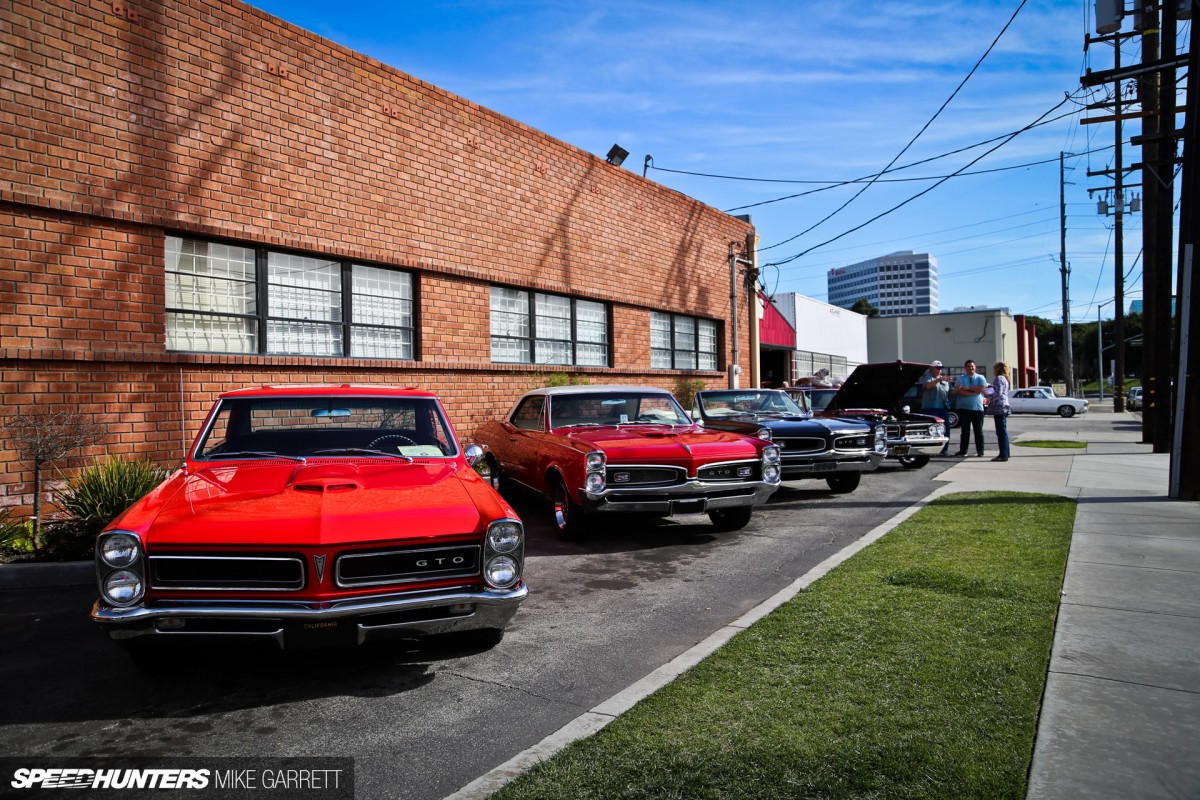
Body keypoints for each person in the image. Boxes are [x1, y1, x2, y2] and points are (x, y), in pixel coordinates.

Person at [952, 359, 987, 457]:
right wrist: (972, 391)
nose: (970, 368)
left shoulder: (980, 377)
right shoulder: (961, 378)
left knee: (978, 431)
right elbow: (959, 390)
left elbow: (981, 388)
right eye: (968, 366)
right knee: (964, 431)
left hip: (977, 409)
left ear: (975, 367)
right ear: (965, 368)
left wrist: (967, 388)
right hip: (964, 409)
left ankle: (980, 451)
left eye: (972, 366)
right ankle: (963, 451)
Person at [918, 360, 951, 455]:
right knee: (932, 429)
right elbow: (927, 386)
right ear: (932, 368)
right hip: (931, 408)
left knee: (946, 429)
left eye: (941, 368)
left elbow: (950, 392)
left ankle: (944, 450)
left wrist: (958, 389)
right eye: (938, 368)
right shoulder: (928, 377)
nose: (940, 370)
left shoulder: (944, 379)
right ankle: (932, 449)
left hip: (943, 407)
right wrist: (939, 380)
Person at [988, 361, 1011, 462]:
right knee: (1003, 431)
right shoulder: (1005, 379)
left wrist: (989, 397)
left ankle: (1003, 454)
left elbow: (998, 393)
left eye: (994, 368)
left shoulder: (999, 378)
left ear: (997, 369)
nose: (993, 370)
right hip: (1004, 406)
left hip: (999, 407)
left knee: (1001, 431)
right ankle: (1006, 452)